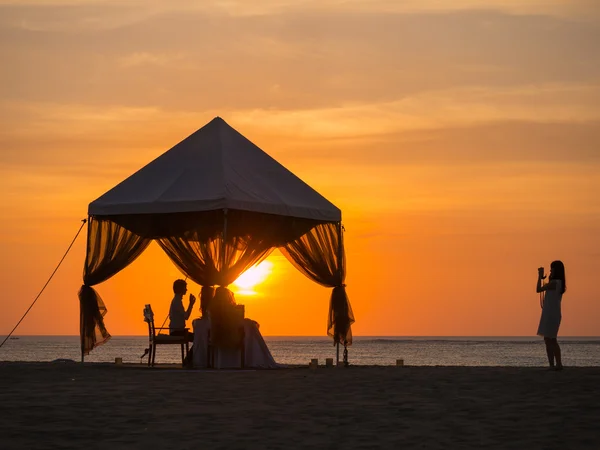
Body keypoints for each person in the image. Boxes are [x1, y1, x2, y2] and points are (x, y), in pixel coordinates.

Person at [536, 260, 567, 371]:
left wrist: (539, 277)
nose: (550, 270)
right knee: (549, 339)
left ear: (556, 270)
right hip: (551, 313)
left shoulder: (555, 283)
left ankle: (556, 364)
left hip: (551, 314)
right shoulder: (558, 283)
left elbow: (538, 289)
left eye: (552, 268)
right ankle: (554, 364)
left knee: (551, 340)